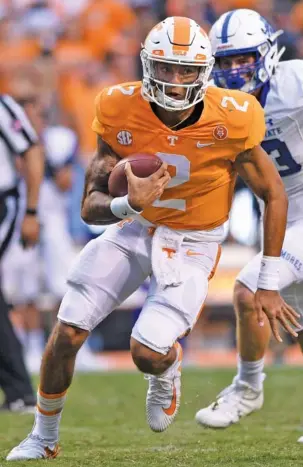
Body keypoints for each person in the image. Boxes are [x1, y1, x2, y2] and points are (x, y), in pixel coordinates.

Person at [6, 16, 299, 461]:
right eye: (164, 67)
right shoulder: (119, 107)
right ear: (146, 65)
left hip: (194, 241)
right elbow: (90, 204)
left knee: (146, 351)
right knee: (67, 329)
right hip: (136, 227)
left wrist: (271, 275)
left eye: (185, 70)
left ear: (203, 73)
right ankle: (44, 437)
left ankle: (166, 370)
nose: (175, 80)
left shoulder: (235, 116)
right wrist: (128, 205)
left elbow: (272, 193)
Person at [195, 9, 303, 435]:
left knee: (250, 290)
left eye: (242, 59)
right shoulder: (215, 105)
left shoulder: (295, 82)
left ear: (266, 52)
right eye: (225, 62)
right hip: (280, 215)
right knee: (295, 318)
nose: (235, 70)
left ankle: (247, 388)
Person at [0, 93, 44, 412]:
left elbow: (31, 150)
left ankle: (20, 391)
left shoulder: (2, 106)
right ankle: (19, 392)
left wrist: (31, 211)